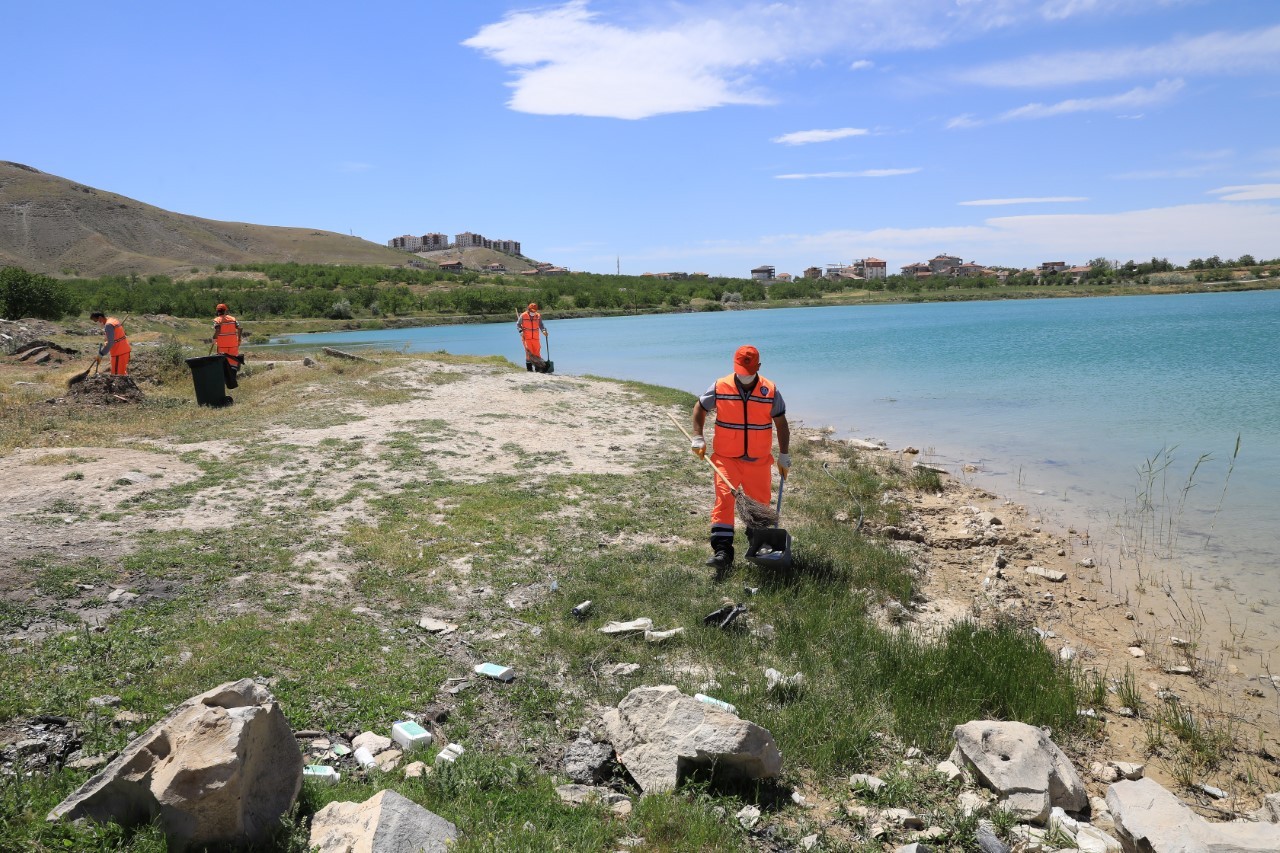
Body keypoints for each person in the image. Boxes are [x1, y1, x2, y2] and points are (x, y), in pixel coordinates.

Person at [691, 345, 790, 574]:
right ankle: (723, 552)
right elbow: (700, 408)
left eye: (749, 370)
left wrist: (784, 454)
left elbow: (781, 423)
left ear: (758, 367)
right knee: (724, 500)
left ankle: (760, 546)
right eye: (740, 370)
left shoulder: (770, 390)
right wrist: (698, 437)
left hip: (758, 461)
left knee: (759, 505)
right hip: (726, 458)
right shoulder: (720, 386)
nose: (744, 375)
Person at [90, 311, 131, 375]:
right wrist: (107, 341)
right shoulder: (113, 320)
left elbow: (111, 343)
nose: (96, 323)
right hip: (124, 350)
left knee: (116, 375)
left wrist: (101, 354)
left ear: (100, 318)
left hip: (119, 353)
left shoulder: (108, 325)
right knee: (122, 373)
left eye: (95, 321)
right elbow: (115, 336)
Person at [516, 302, 548, 372]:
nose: (533, 312)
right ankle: (529, 369)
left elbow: (541, 325)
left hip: (536, 338)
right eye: (532, 311)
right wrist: (520, 331)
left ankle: (538, 368)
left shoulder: (538, 316)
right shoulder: (523, 315)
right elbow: (518, 324)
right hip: (526, 338)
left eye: (534, 311)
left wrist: (543, 331)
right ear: (528, 309)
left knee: (537, 352)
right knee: (529, 353)